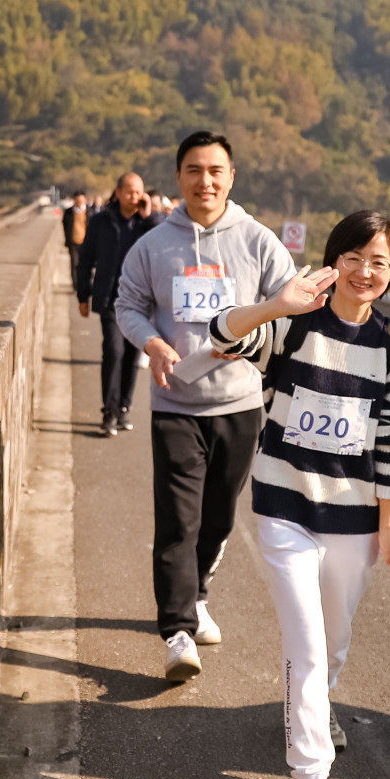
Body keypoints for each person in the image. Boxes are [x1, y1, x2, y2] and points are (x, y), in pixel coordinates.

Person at [207, 209, 390, 779]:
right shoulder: (295, 325)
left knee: (334, 637)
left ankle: (314, 704)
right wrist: (273, 305)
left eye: (378, 261)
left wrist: (388, 525)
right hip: (284, 508)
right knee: (305, 639)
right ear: (334, 260)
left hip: (354, 517)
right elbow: (220, 336)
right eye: (353, 256)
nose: (364, 270)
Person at [116, 130, 297, 681]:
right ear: (179, 178)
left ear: (231, 177)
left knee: (218, 518)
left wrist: (260, 340)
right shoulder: (152, 246)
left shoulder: (259, 241)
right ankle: (176, 631)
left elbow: (289, 311)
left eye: (215, 170)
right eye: (194, 170)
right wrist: (152, 342)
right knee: (178, 520)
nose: (206, 181)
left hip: (240, 405)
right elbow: (128, 304)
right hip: (176, 403)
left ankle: (196, 595)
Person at [75, 172, 158, 437]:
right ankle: (108, 413)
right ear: (119, 192)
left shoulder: (146, 223)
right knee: (114, 351)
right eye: (131, 192)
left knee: (133, 356)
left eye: (139, 192)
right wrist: (82, 295)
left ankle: (123, 408)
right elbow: (85, 258)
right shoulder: (101, 221)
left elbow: (165, 238)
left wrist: (150, 215)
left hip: (141, 300)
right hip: (111, 298)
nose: (136, 197)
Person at [61, 190, 89, 290]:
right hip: (73, 242)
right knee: (74, 264)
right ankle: (76, 286)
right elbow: (65, 225)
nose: (80, 202)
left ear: (85, 200)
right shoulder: (69, 212)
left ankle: (85, 285)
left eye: (82, 200)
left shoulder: (89, 212)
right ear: (74, 201)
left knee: (86, 265)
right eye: (78, 200)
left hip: (86, 243)